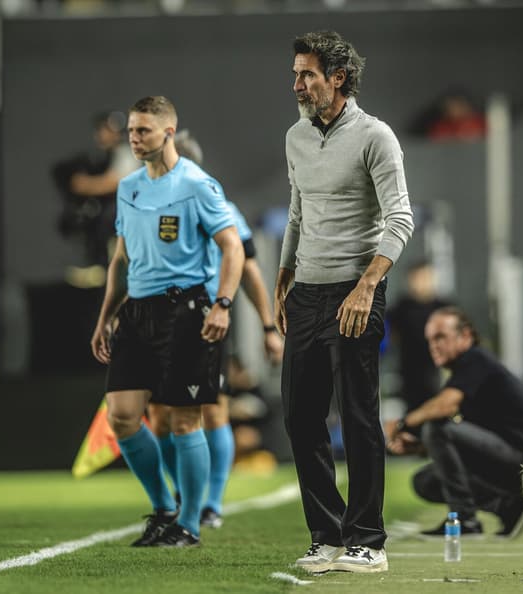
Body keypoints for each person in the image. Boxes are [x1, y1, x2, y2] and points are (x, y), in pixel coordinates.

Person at [274, 30, 415, 574]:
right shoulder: (295, 137)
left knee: (358, 415)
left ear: (338, 77)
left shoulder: (377, 137)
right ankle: (326, 536)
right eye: (295, 74)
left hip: (357, 291)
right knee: (300, 416)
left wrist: (367, 286)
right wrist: (284, 275)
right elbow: (297, 212)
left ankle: (367, 541)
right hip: (306, 292)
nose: (297, 84)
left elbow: (400, 218)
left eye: (307, 74)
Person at [90, 95, 243, 548]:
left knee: (183, 421)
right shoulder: (128, 187)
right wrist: (105, 319)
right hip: (137, 313)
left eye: (143, 131)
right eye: (132, 131)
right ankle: (163, 506)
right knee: (122, 416)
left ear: (169, 132)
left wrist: (223, 304)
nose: (135, 139)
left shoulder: (196, 184)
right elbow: (121, 259)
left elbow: (233, 248)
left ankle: (190, 524)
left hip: (187, 312)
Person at [149, 129, 284, 530]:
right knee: (159, 416)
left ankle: (211, 502)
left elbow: (249, 268)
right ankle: (183, 492)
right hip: (158, 322)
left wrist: (267, 326)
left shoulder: (216, 205)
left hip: (204, 320)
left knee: (210, 409)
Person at [385, 306, 523, 538]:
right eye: (430, 339)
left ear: (465, 336)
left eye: (441, 336)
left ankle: (465, 520)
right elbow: (462, 439)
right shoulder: (462, 372)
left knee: (436, 426)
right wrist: (420, 446)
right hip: (506, 460)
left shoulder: (475, 359)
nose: (434, 345)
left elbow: (444, 407)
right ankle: (506, 506)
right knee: (425, 481)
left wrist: (403, 424)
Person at [52, 110, 140, 282]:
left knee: (108, 215)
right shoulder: (106, 157)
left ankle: (106, 268)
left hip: (135, 215)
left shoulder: (129, 152)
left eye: (105, 130)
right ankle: (100, 266)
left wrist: (85, 185)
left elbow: (114, 182)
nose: (100, 135)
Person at [386, 261, 451, 411]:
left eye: (425, 278)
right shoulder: (401, 308)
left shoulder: (444, 307)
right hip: (409, 370)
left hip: (438, 369)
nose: (422, 283)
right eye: (418, 278)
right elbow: (391, 335)